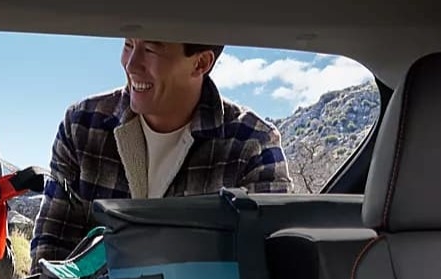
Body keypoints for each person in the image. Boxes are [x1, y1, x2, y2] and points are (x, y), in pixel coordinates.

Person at [30, 39, 292, 264]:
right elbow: (50, 251)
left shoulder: (253, 145)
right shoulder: (82, 125)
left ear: (200, 63)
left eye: (151, 50)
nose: (131, 64)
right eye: (128, 45)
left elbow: (266, 277)